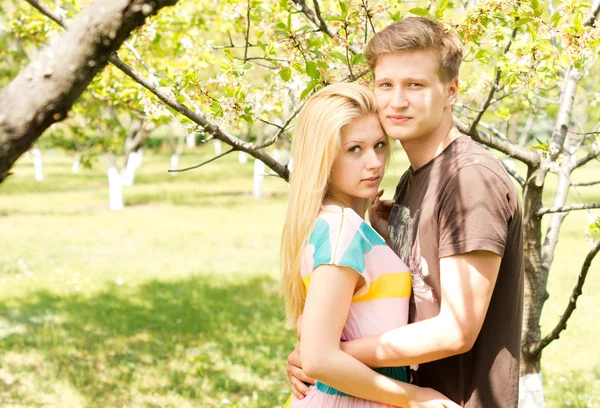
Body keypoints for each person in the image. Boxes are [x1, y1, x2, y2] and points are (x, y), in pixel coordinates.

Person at [286, 17, 524, 408]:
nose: (397, 101)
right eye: (385, 85)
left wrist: (322, 357)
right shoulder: (410, 183)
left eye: (414, 85)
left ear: (451, 91)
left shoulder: (470, 182)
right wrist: (319, 359)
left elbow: (456, 331)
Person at [280, 82, 459, 408]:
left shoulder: (338, 226)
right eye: (354, 149)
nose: (375, 162)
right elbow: (319, 358)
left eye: (379, 145)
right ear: (323, 157)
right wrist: (417, 398)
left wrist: (381, 238)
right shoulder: (341, 231)